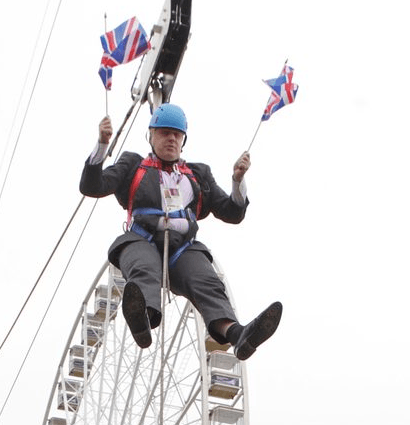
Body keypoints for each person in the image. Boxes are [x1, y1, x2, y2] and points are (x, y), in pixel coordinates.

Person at [79, 103, 282, 360]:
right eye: (165, 133)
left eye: (177, 134)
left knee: (207, 282)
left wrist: (238, 181)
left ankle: (237, 334)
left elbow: (232, 213)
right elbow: (92, 186)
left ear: (184, 139)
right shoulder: (133, 164)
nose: (171, 139)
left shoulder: (198, 175)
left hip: (183, 248)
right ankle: (142, 317)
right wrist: (102, 145)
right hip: (142, 238)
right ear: (151, 135)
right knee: (144, 267)